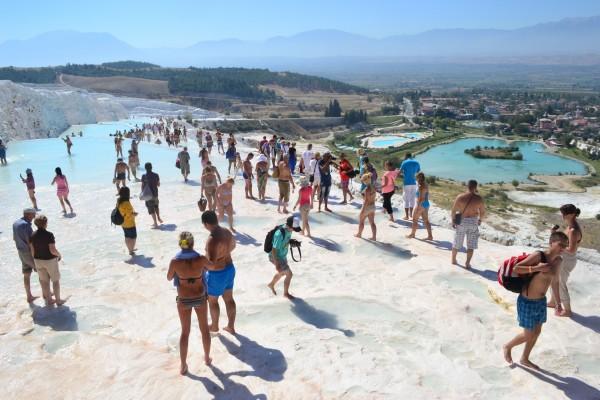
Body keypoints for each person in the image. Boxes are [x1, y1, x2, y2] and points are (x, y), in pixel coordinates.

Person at [503, 231, 568, 370]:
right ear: (551, 243)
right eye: (560, 244)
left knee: (537, 332)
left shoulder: (558, 261)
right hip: (527, 301)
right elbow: (517, 268)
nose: (563, 248)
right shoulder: (539, 256)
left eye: (565, 245)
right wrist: (537, 267)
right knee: (528, 334)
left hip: (541, 302)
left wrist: (558, 303)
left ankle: (525, 358)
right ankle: (508, 346)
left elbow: (555, 282)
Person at [167, 232, 212, 374]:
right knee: (204, 329)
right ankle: (206, 358)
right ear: (192, 244)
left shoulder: (175, 261)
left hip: (183, 299)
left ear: (180, 244)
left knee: (185, 332)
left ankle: (183, 365)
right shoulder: (201, 259)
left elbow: (169, 278)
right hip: (199, 297)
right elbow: (212, 267)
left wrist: (179, 273)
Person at [202, 211, 237, 334]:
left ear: (206, 224)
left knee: (212, 301)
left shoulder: (212, 239)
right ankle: (231, 326)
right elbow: (233, 245)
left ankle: (215, 326)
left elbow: (211, 265)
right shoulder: (226, 231)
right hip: (230, 269)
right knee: (229, 299)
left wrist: (201, 264)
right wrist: (224, 254)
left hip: (217, 274)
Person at [549, 204, 583, 317]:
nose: (563, 216)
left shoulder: (573, 230)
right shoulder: (569, 226)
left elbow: (572, 250)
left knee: (560, 284)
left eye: (564, 213)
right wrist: (554, 234)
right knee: (554, 279)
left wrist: (558, 246)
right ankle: (553, 302)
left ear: (572, 214)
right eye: (562, 213)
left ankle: (567, 310)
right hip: (563, 258)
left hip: (567, 260)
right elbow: (563, 241)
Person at [30, 215, 66, 306]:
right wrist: (59, 255)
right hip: (49, 260)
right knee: (55, 280)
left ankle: (49, 300)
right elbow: (52, 250)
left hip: (38, 260)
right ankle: (58, 300)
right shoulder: (49, 235)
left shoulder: (32, 235)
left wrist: (34, 262)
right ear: (45, 224)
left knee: (44, 281)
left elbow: (32, 250)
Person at [451, 180, 486, 269]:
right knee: (471, 245)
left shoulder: (460, 197)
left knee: (457, 242)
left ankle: (454, 260)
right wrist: (480, 220)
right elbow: (482, 212)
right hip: (473, 221)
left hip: (462, 221)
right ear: (475, 187)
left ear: (467, 186)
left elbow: (453, 210)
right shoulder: (479, 199)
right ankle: (467, 263)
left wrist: (453, 220)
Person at [267, 216, 301, 299]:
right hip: (276, 257)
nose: (294, 230)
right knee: (289, 274)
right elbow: (274, 250)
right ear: (289, 226)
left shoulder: (289, 229)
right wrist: (276, 264)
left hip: (282, 255)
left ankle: (271, 284)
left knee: (282, 273)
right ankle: (286, 294)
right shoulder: (279, 234)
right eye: (294, 228)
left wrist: (291, 241)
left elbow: (285, 240)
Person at [13, 209, 38, 303]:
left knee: (26, 274)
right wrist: (34, 255)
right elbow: (30, 242)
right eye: (33, 214)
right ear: (28, 215)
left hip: (20, 252)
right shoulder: (26, 225)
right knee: (41, 272)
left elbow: (14, 239)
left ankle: (29, 296)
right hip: (28, 253)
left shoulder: (15, 223)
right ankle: (46, 294)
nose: (34, 216)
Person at [406, 172, 432, 240]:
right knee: (426, 221)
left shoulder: (420, 186)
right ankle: (430, 236)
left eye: (416, 178)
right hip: (426, 204)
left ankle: (412, 234)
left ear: (418, 178)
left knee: (415, 219)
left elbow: (420, 198)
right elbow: (426, 195)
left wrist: (417, 207)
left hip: (420, 204)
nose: (416, 179)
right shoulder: (426, 184)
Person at [355, 173, 377, 241]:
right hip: (373, 206)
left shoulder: (367, 189)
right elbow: (372, 197)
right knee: (372, 223)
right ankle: (374, 237)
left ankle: (359, 234)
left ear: (365, 181)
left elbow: (366, 200)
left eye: (363, 181)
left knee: (361, 221)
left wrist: (363, 210)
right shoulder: (373, 187)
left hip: (367, 206)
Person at [117, 187, 138, 256]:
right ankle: (131, 251)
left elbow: (122, 212)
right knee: (133, 237)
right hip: (130, 223)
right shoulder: (126, 202)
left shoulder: (118, 201)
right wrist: (134, 214)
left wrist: (131, 214)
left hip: (123, 223)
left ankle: (130, 249)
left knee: (127, 237)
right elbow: (128, 214)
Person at [400, 153, 421, 220]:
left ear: (406, 156)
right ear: (411, 156)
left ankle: (406, 216)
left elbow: (400, 172)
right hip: (414, 183)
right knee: (412, 199)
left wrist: (405, 173)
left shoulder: (404, 162)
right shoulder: (417, 162)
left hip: (407, 182)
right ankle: (411, 215)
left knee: (406, 199)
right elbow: (418, 171)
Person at [141, 162, 163, 228]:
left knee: (151, 209)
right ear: (151, 167)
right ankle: (159, 217)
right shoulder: (156, 175)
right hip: (155, 194)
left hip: (148, 195)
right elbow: (158, 184)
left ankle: (155, 223)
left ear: (145, 168)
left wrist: (142, 193)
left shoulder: (144, 176)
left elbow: (142, 185)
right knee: (156, 206)